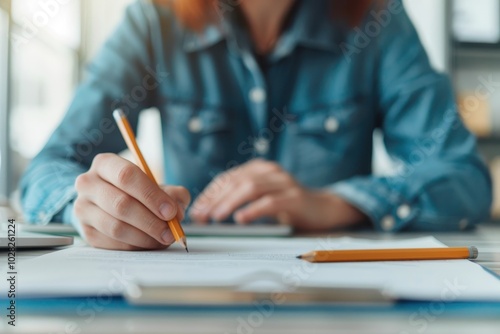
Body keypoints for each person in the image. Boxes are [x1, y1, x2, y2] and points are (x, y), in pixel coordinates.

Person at [20, 0, 492, 251]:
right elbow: (47, 170)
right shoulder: (153, 22)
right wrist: (88, 207)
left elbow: (464, 179)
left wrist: (335, 203)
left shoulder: (378, 20)